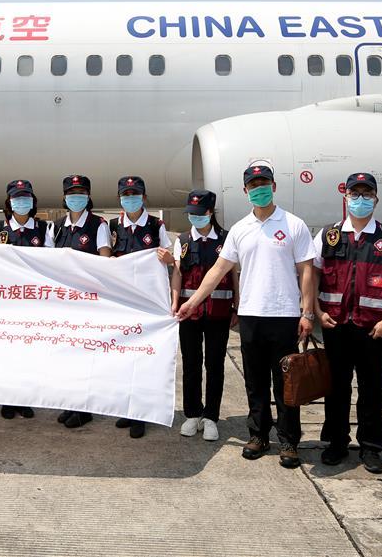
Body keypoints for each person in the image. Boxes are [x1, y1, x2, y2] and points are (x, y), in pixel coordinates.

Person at [177, 164, 316, 467]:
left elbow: (306, 271)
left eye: (264, 183)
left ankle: (289, 441)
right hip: (251, 315)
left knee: (285, 382)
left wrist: (307, 313)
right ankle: (259, 435)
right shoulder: (240, 230)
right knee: (255, 382)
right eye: (253, 185)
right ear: (245, 191)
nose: (259, 188)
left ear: (274, 186)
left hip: (284, 315)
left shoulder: (294, 225)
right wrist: (194, 302)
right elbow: (218, 271)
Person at [313, 172, 382, 474]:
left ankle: (371, 447)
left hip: (373, 328)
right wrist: (316, 310)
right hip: (336, 325)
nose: (361, 200)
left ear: (376, 199)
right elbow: (312, 274)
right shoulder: (329, 234)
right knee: (336, 388)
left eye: (367, 195)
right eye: (355, 194)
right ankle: (336, 444)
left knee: (373, 390)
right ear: (345, 197)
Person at [171, 190, 239, 443]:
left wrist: (236, 306)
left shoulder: (226, 238)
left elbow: (233, 274)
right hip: (189, 313)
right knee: (190, 364)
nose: (195, 218)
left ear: (210, 213)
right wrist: (175, 301)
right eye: (191, 214)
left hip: (219, 314)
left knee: (214, 365)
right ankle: (192, 414)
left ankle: (211, 417)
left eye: (199, 214)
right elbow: (177, 273)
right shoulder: (183, 239)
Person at [111, 175, 175, 439]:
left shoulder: (156, 225)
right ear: (120, 199)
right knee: (124, 358)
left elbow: (172, 260)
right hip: (122, 303)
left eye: (135, 194)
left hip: (148, 304)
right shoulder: (113, 225)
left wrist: (169, 258)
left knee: (144, 357)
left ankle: (142, 413)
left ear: (144, 197)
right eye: (126, 195)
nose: (130, 198)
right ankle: (127, 409)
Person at [0, 179, 53, 420]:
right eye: (17, 198)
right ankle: (6, 399)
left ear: (32, 201)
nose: (21, 201)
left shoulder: (42, 228)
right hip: (6, 301)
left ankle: (25, 399)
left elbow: (50, 262)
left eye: (26, 197)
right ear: (9, 202)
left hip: (33, 301)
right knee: (6, 350)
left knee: (29, 350)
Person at [53, 174, 112, 429]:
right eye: (71, 193)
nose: (76, 197)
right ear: (64, 197)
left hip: (88, 301)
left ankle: (86, 408)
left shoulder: (99, 224)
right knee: (68, 354)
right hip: (63, 301)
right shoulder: (56, 226)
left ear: (88, 196)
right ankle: (71, 403)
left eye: (80, 192)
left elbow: (104, 262)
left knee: (87, 354)